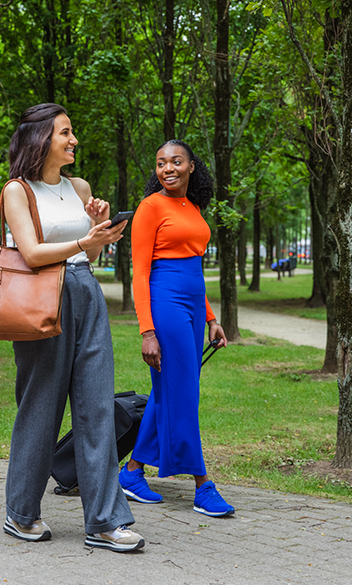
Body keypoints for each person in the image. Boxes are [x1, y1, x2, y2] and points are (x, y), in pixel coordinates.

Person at [1, 103, 144, 552]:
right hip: (42, 298)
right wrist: (85, 238)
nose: (73, 140)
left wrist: (99, 228)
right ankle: (21, 513)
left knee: (97, 407)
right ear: (42, 137)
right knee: (40, 408)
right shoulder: (17, 191)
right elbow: (29, 253)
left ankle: (104, 521)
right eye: (65, 132)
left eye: (73, 132)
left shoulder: (79, 186)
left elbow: (90, 256)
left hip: (85, 291)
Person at [119, 139, 234, 518]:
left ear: (190, 167)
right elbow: (140, 272)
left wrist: (212, 318)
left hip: (192, 303)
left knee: (168, 391)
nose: (167, 168)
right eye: (161, 163)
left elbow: (195, 269)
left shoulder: (194, 207)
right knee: (184, 392)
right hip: (164, 302)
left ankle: (132, 473)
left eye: (175, 161)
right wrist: (147, 331)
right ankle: (202, 485)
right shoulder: (150, 207)